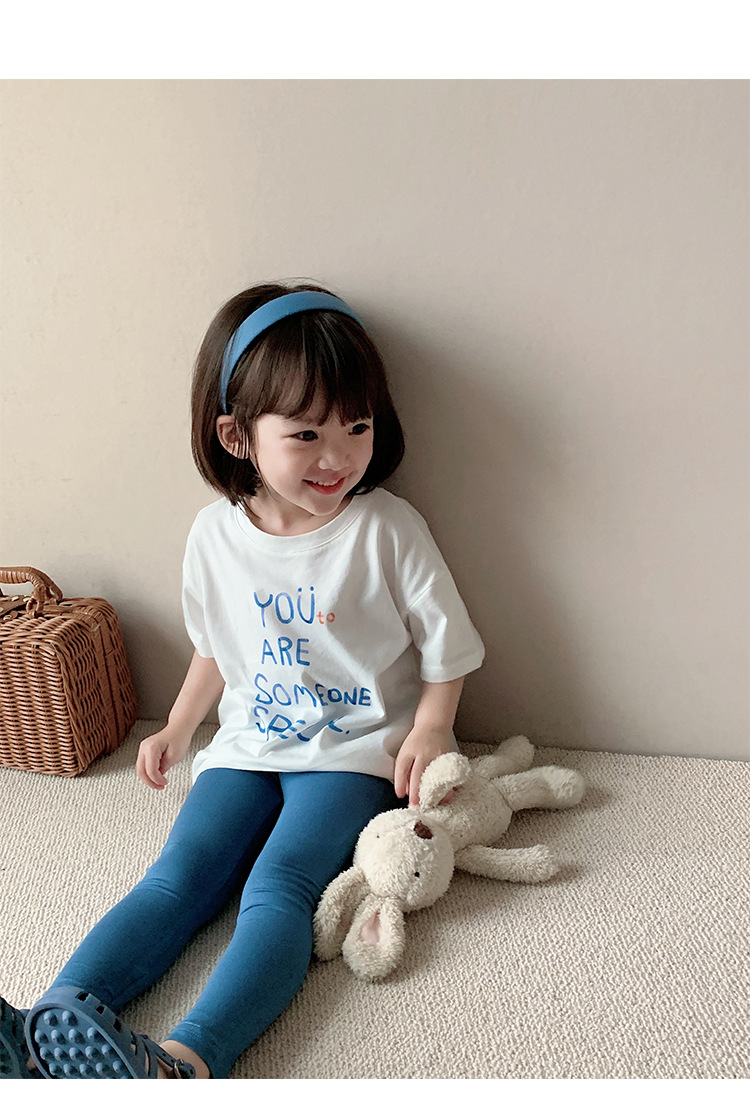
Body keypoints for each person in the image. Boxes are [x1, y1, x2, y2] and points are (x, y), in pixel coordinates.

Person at [0, 281, 484, 1080]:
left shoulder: (386, 529)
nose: (338, 457)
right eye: (306, 434)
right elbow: (218, 650)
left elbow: (449, 650)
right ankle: (48, 1028)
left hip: (351, 754)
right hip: (249, 742)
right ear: (236, 435)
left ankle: (185, 1062)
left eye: (357, 426)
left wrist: (431, 726)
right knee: (175, 880)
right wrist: (179, 726)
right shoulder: (213, 536)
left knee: (277, 890)